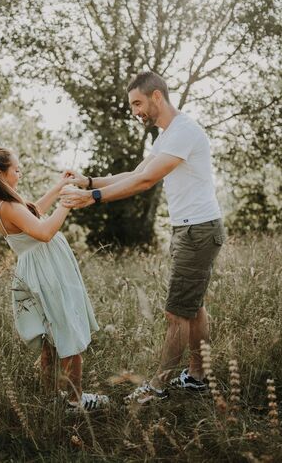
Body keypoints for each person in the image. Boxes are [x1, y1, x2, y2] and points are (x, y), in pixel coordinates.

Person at [60, 71, 226, 404]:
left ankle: (157, 388)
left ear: (157, 97)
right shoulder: (166, 136)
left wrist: (93, 199)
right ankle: (197, 377)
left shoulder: (184, 130)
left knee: (175, 313)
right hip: (188, 228)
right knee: (192, 308)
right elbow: (134, 174)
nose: (135, 110)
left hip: (198, 230)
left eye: (137, 103)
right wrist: (89, 181)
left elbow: (145, 181)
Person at [0, 147, 109, 411]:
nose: (20, 172)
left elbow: (33, 212)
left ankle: (51, 399)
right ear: (0, 173)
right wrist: (67, 202)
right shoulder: (6, 204)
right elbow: (44, 231)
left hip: (38, 268)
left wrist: (60, 187)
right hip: (48, 271)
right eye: (16, 169)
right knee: (68, 328)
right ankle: (75, 401)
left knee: (50, 336)